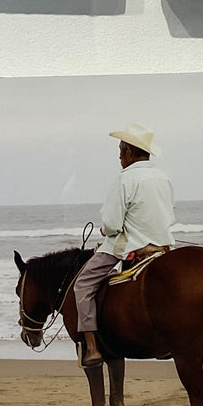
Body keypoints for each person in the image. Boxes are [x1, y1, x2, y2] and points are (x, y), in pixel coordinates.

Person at [74, 122, 176, 367]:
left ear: (129, 152)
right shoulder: (163, 177)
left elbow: (111, 224)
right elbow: (167, 212)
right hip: (162, 246)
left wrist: (104, 230)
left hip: (131, 246)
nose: (120, 157)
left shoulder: (125, 180)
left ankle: (92, 347)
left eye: (121, 151)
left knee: (82, 285)